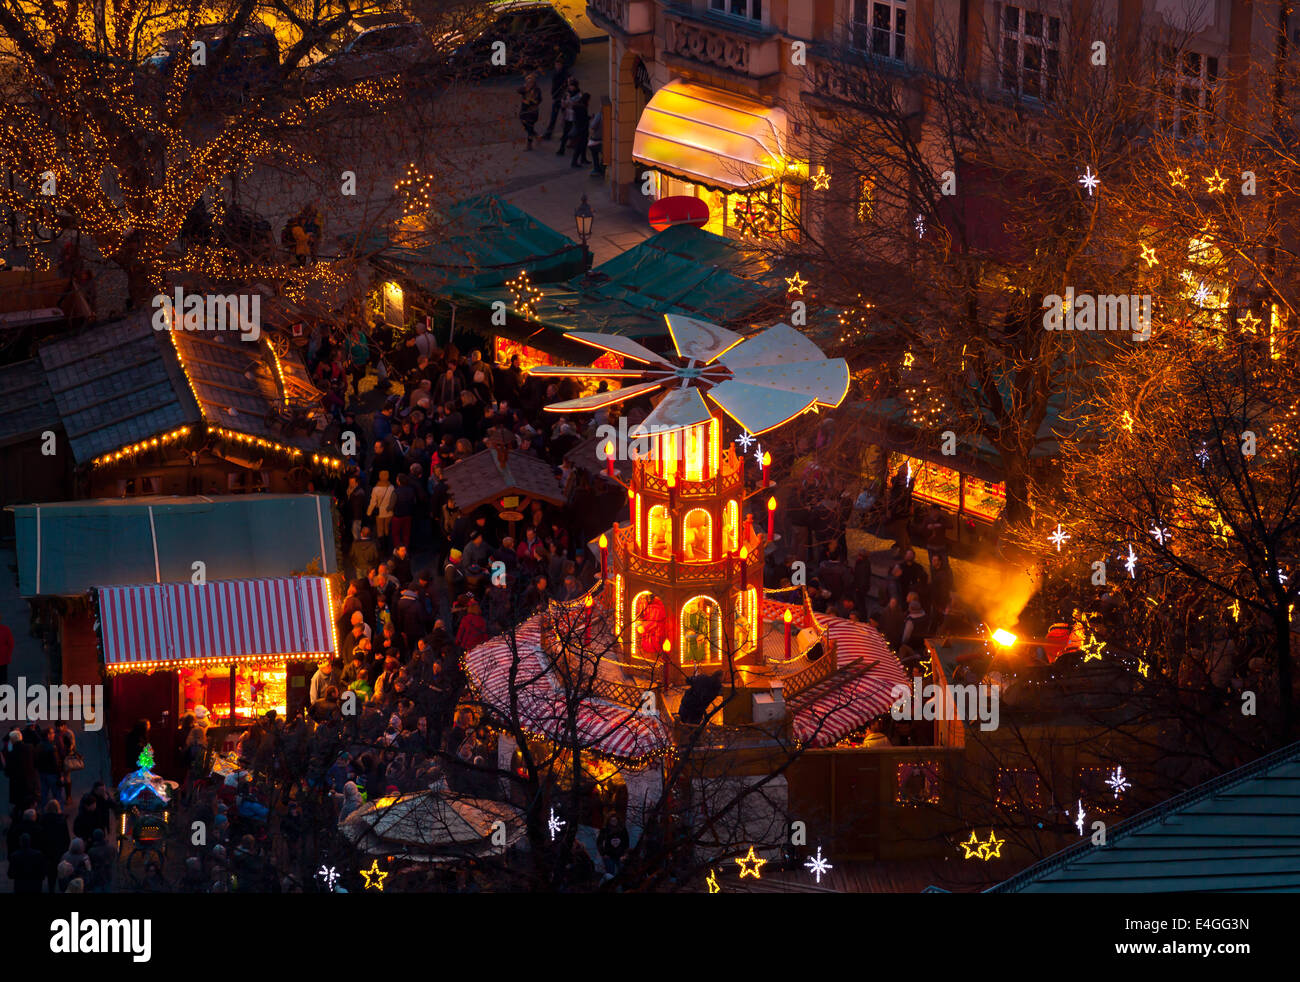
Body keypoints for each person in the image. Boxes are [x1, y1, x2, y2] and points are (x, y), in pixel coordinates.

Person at [39, 798, 70, 892]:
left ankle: (51, 889)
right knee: (61, 872)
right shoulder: (62, 820)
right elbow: (66, 837)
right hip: (59, 851)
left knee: (51, 873)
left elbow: (40, 836)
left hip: (47, 851)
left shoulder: (42, 820)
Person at [542, 56, 571, 140]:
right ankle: (549, 134)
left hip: (562, 98)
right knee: (554, 116)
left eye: (559, 64)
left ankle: (565, 134)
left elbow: (568, 84)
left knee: (564, 117)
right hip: (556, 96)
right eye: (556, 64)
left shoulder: (565, 74)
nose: (557, 66)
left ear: (561, 65)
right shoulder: (555, 73)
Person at [596, 812, 629, 877]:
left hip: (620, 855)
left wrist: (625, 854)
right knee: (610, 874)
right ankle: (609, 886)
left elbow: (626, 842)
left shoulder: (622, 829)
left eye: (615, 820)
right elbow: (599, 842)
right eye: (611, 820)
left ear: (618, 820)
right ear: (608, 821)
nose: (613, 822)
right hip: (609, 856)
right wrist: (603, 854)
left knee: (622, 873)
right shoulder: (605, 830)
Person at [518, 72, 542, 150]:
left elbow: (538, 100)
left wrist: (531, 102)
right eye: (527, 82)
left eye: (530, 82)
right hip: (524, 110)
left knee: (530, 127)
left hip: (532, 112)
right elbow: (519, 90)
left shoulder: (537, 90)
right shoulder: (525, 87)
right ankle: (536, 135)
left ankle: (529, 144)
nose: (529, 83)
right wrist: (525, 89)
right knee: (525, 124)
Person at [570, 91, 591, 168]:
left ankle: (582, 158)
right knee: (580, 145)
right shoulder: (582, 108)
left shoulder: (578, 107)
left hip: (579, 128)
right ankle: (575, 161)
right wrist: (590, 118)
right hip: (582, 129)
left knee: (582, 145)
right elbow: (584, 118)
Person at [588, 103, 604, 176]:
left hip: (596, 139)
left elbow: (593, 126)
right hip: (605, 139)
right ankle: (602, 168)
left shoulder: (599, 115)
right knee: (604, 155)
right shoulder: (609, 115)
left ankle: (597, 169)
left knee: (595, 154)